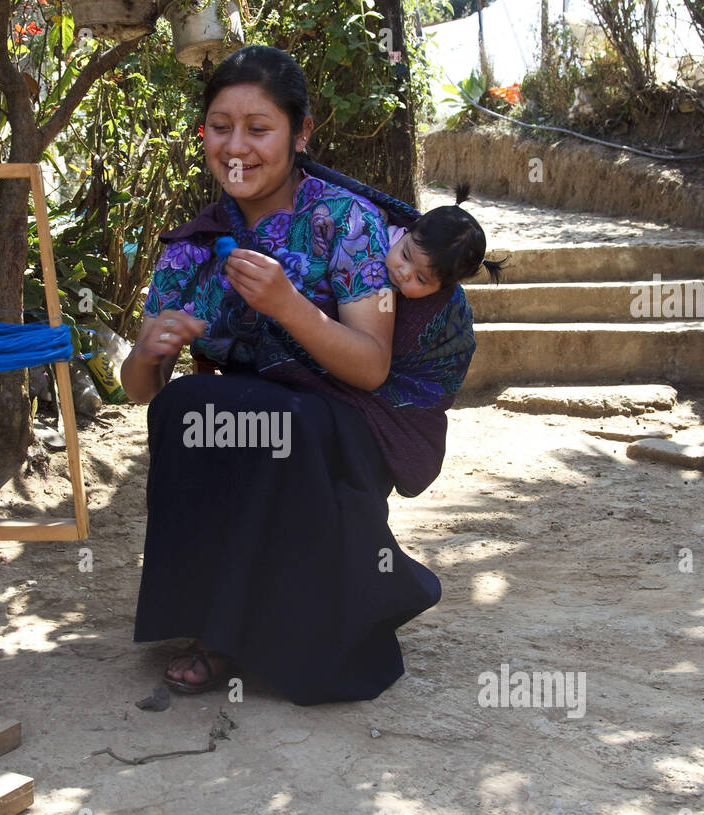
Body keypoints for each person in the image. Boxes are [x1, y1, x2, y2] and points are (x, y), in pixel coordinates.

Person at [120, 45, 470, 705]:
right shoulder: (195, 245)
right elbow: (143, 394)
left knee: (281, 421)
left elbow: (370, 367)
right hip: (268, 418)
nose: (236, 147)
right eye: (220, 127)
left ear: (300, 133)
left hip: (343, 425)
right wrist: (144, 355)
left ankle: (296, 636)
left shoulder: (351, 225)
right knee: (186, 407)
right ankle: (210, 626)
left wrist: (287, 305)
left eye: (259, 128)